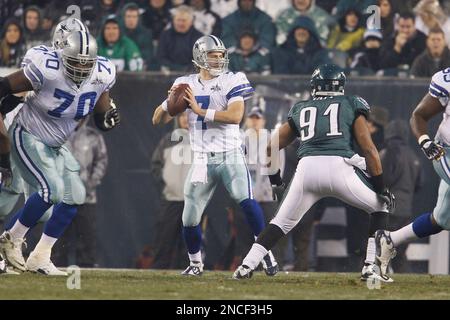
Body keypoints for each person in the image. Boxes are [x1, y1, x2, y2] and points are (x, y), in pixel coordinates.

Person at [232, 64, 395, 282]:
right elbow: (369, 149)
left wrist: (277, 183)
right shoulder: (351, 103)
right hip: (339, 166)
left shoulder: (301, 108)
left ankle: (245, 266)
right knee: (380, 206)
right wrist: (381, 186)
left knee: (280, 222)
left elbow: (270, 147)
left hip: (307, 168)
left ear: (314, 86)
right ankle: (369, 267)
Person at [152, 35, 278, 276]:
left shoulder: (233, 79)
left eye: (221, 55)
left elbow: (235, 116)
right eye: (213, 55)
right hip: (202, 159)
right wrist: (170, 103)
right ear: (200, 57)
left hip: (230, 153)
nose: (219, 59)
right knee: (189, 217)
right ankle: (195, 263)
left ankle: (265, 252)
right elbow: (157, 119)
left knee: (246, 200)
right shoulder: (185, 83)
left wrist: (199, 111)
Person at [0, 31, 120, 275]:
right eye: (75, 61)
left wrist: (108, 119)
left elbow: (101, 115)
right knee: (50, 191)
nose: (81, 67)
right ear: (63, 56)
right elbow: (4, 86)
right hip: (28, 134)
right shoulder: (47, 67)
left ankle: (40, 256)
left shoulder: (103, 72)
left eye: (86, 62)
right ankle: (11, 239)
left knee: (75, 195)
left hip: (56, 145)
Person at [375, 66, 450, 279]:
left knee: (441, 219)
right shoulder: (447, 79)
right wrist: (424, 140)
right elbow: (419, 115)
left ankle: (389, 241)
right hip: (445, 152)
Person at [52, 118, 109, 268]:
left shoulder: (93, 137)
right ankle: (55, 267)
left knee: (86, 239)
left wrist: (89, 186)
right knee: (58, 239)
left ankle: (87, 268)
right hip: (62, 198)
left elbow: (101, 162)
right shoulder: (57, 135)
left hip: (86, 199)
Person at [150, 112, 191, 269]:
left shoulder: (202, 142)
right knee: (164, 240)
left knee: (189, 244)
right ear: (178, 120)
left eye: (189, 116)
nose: (186, 119)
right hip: (171, 200)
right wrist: (167, 184)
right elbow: (155, 165)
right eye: (182, 116)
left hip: (192, 203)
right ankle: (158, 272)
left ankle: (188, 272)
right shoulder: (167, 141)